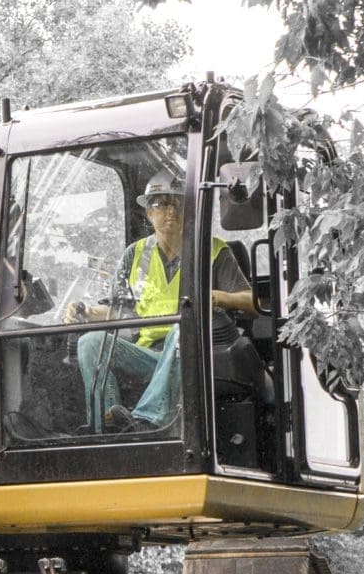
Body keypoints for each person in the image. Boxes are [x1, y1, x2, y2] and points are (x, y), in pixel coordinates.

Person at [67, 175, 255, 431]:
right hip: (146, 355)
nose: (171, 211)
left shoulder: (213, 251)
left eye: (178, 203)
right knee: (89, 342)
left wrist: (218, 296)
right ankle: (107, 428)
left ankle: (147, 421)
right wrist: (87, 313)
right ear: (149, 212)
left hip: (194, 355)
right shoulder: (134, 255)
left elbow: (251, 301)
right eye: (162, 204)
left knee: (183, 326)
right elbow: (118, 310)